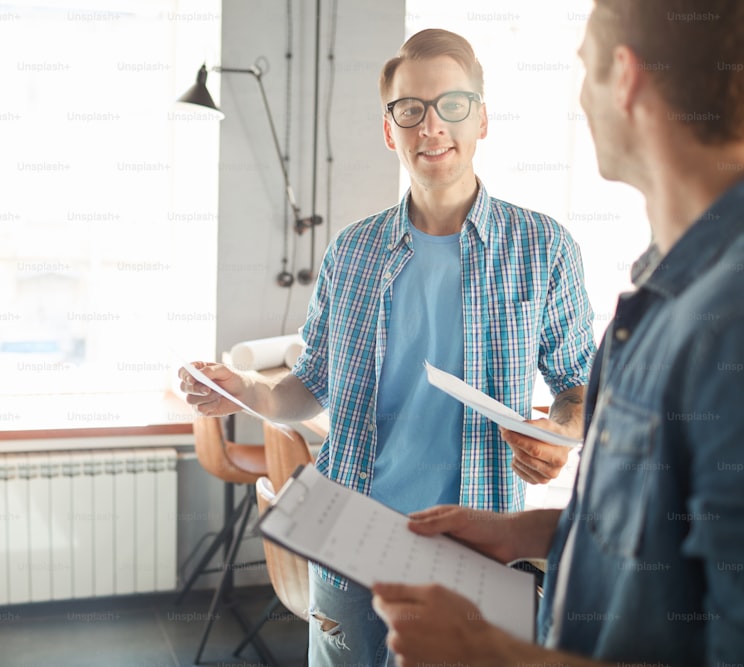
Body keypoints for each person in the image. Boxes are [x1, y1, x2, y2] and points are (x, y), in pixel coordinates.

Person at [181, 28, 597, 666]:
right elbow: (305, 388)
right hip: (347, 528)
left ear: (482, 119)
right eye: (411, 110)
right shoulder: (352, 250)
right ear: (389, 130)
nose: (432, 126)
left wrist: (559, 434)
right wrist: (247, 392)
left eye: (452, 105)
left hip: (477, 540)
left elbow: (577, 387)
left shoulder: (543, 248)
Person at [372, 1, 744, 665]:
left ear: (624, 78)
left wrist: (491, 653)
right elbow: (657, 533)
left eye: (583, 71)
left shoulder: (728, 320)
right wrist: (528, 530)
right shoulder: (661, 291)